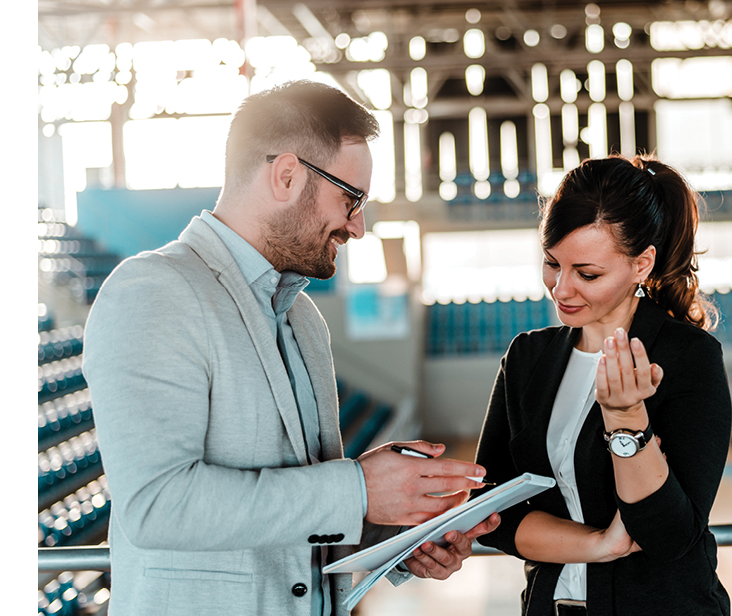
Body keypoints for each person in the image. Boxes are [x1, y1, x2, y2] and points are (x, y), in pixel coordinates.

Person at [83, 80, 499, 616]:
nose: (358, 226)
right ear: (286, 175)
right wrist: (358, 491)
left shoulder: (302, 318)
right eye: (350, 199)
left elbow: (298, 522)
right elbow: (159, 506)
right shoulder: (153, 291)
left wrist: (395, 535)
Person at [475, 155, 731, 616]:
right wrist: (597, 544)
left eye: (588, 274)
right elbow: (490, 513)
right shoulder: (527, 358)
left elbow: (669, 536)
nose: (561, 289)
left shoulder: (687, 358)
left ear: (641, 265)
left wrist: (627, 423)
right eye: (552, 263)